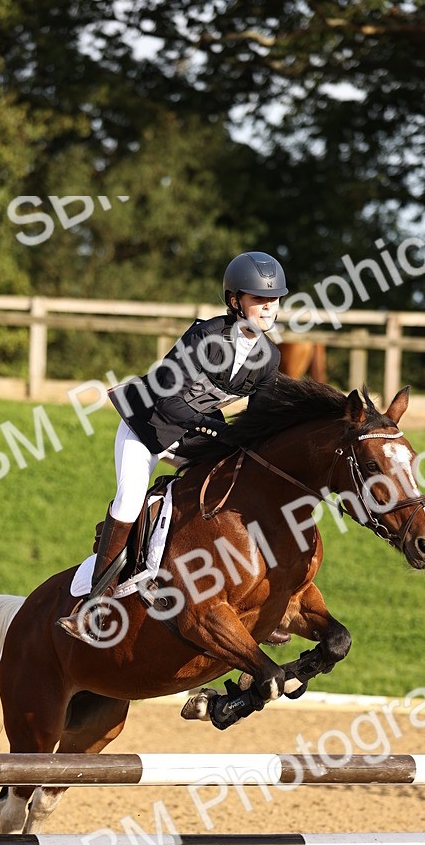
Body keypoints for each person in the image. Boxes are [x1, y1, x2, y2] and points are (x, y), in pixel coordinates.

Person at [58, 250, 288, 641]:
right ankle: (96, 601)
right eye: (258, 299)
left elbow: (258, 421)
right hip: (147, 426)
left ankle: (251, 597)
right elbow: (168, 401)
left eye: (274, 299)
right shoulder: (204, 337)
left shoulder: (268, 358)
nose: (268, 308)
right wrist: (216, 432)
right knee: (130, 499)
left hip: (196, 433)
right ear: (235, 301)